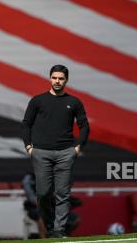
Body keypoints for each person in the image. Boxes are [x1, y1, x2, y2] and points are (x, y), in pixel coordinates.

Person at [21, 65, 90, 238]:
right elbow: (26, 124)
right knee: (43, 193)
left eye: (61, 78)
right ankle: (50, 226)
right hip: (41, 152)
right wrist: (29, 147)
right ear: (50, 78)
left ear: (66, 80)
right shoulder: (37, 100)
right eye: (54, 77)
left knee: (62, 193)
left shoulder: (74, 102)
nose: (57, 81)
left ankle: (59, 230)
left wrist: (77, 147)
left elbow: (84, 126)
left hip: (65, 152)